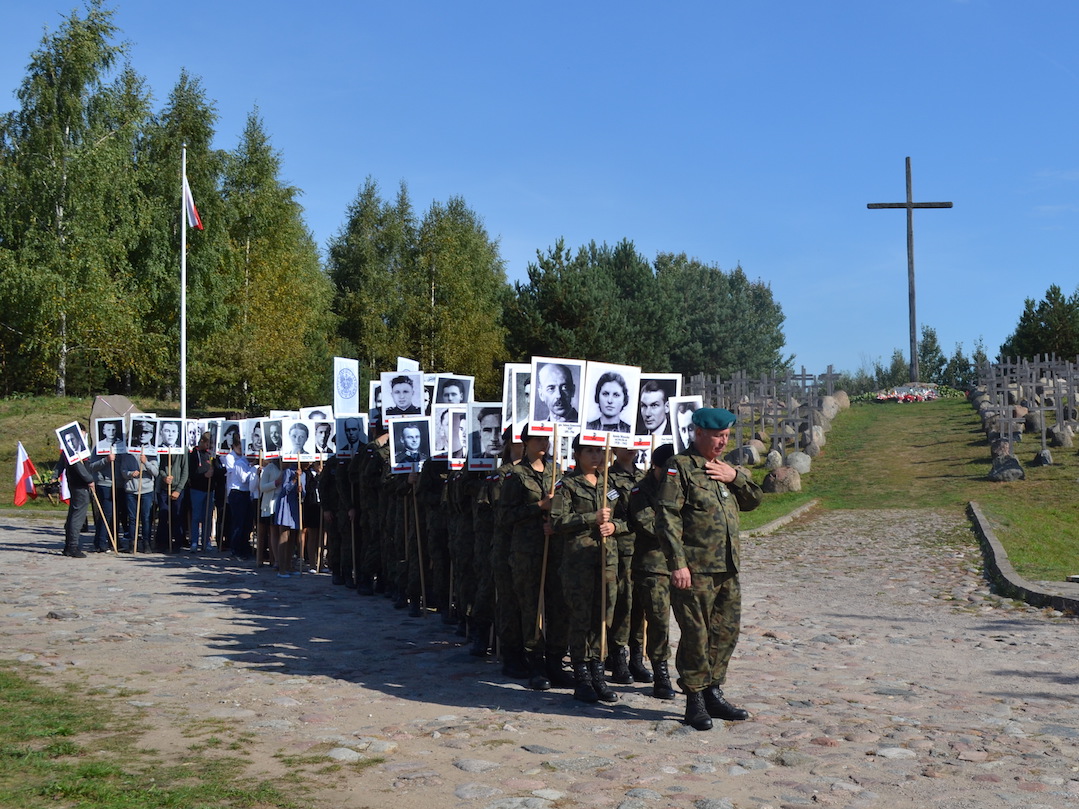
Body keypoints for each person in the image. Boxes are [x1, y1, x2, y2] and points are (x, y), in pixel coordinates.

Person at [655, 407, 763, 731]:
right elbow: (667, 517)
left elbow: (754, 500)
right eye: (718, 436)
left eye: (727, 436)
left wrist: (735, 477)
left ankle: (714, 691)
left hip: (726, 568)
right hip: (696, 569)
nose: (723, 442)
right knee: (696, 635)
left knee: (725, 632)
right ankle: (695, 700)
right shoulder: (680, 467)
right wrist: (677, 564)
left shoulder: (723, 468)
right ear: (698, 433)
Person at [550, 435, 620, 703]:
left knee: (602, 618)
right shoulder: (566, 485)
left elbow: (627, 518)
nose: (596, 456)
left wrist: (614, 526)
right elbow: (557, 522)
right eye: (589, 451)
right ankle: (582, 678)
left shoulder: (609, 484)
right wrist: (592, 518)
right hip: (578, 562)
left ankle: (598, 674)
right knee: (580, 618)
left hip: (606, 560)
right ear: (577, 454)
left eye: (599, 451)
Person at [628, 442, 677, 700]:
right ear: (655, 467)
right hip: (653, 566)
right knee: (657, 622)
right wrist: (678, 529)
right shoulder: (641, 490)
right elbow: (648, 524)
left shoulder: (681, 487)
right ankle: (661, 674)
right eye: (666, 470)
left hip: (683, 564)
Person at [56, 426, 96, 558]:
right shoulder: (74, 449)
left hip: (76, 484)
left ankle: (69, 546)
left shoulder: (75, 448)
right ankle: (72, 546)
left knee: (74, 515)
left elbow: (60, 465)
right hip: (80, 485)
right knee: (77, 517)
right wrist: (89, 480)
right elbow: (78, 466)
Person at [119, 447, 158, 553]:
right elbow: (123, 471)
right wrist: (130, 474)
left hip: (146, 490)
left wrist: (146, 462)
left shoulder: (151, 453)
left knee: (146, 518)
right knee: (132, 518)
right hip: (131, 490)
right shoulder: (127, 454)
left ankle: (146, 543)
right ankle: (132, 543)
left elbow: (155, 472)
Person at [188, 432, 216, 552]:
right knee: (196, 516)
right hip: (197, 490)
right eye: (208, 444)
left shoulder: (212, 454)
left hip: (210, 490)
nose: (209, 446)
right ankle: (194, 541)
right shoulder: (194, 454)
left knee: (207, 517)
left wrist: (214, 472)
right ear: (203, 441)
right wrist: (204, 475)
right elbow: (191, 473)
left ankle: (206, 541)